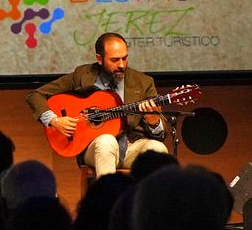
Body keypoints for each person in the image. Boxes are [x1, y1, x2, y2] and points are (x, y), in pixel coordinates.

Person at [26, 31, 168, 177]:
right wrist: (53, 120)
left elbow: (159, 134)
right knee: (107, 141)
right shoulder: (83, 76)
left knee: (158, 148)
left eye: (125, 58)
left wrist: (154, 122)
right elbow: (35, 95)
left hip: (133, 146)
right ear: (99, 59)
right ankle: (107, 198)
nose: (121, 65)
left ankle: (149, 198)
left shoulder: (143, 82)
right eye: (115, 60)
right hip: (96, 148)